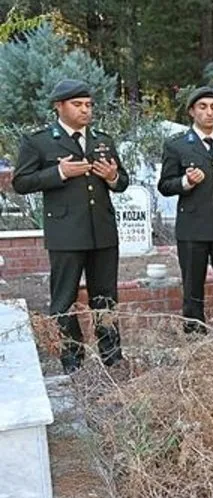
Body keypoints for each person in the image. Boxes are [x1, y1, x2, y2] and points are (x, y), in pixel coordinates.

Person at [13, 79, 129, 373]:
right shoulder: (39, 141)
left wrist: (113, 177)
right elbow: (21, 182)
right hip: (66, 233)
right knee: (63, 299)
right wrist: (59, 172)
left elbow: (122, 182)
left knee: (105, 298)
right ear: (59, 107)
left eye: (88, 105)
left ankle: (112, 356)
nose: (85, 110)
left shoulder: (102, 140)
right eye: (77, 105)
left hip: (102, 231)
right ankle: (73, 360)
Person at [157, 86, 213, 333]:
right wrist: (186, 182)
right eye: (203, 107)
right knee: (193, 289)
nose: (210, 112)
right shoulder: (177, 146)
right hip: (194, 229)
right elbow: (165, 185)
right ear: (191, 112)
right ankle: (195, 337)